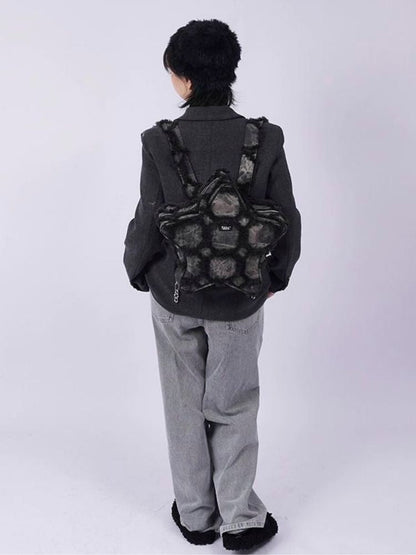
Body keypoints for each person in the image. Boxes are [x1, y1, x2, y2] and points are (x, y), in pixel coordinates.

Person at [123, 18, 302, 552]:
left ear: (182, 78)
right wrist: (275, 275)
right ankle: (241, 519)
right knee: (235, 403)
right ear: (231, 72)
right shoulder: (265, 138)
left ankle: (197, 516)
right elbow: (287, 216)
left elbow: (148, 215)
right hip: (242, 297)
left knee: (183, 405)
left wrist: (137, 269)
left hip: (173, 294)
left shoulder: (159, 140)